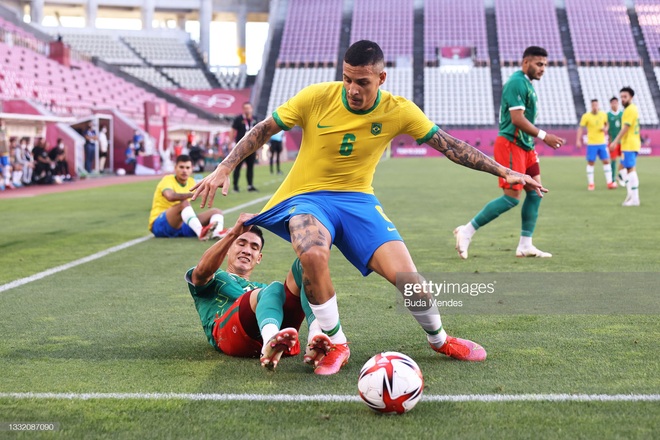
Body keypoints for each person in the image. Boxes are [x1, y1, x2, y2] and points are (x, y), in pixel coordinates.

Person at [191, 40, 547, 375]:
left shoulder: (398, 110)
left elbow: (449, 145)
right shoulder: (316, 97)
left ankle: (440, 340)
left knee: (411, 282)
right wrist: (225, 166)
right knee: (312, 253)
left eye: (361, 81)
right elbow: (265, 128)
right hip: (306, 198)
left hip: (358, 201)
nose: (352, 89)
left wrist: (504, 170)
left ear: (381, 78)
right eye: (346, 79)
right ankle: (336, 342)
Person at [454, 46, 565, 259]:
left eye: (545, 65)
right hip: (511, 144)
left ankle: (525, 245)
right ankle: (466, 231)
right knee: (512, 198)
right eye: (539, 64)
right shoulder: (516, 82)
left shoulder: (527, 84)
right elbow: (516, 119)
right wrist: (544, 136)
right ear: (526, 63)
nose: (543, 69)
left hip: (525, 145)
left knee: (536, 192)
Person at [187, 213, 318, 369]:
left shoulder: (263, 289)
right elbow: (201, 272)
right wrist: (233, 234)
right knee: (274, 288)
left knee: (305, 263)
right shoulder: (214, 276)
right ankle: (271, 340)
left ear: (259, 257)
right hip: (229, 336)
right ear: (227, 249)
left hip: (275, 336)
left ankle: (316, 337)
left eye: (254, 247)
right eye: (241, 243)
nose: (247, 251)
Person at [149, 154, 227, 240]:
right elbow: (170, 196)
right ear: (175, 168)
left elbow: (206, 187)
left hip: (181, 225)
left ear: (192, 169)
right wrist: (194, 194)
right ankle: (201, 232)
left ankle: (216, 233)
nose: (184, 171)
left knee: (216, 211)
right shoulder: (167, 180)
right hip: (160, 225)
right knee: (184, 203)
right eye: (181, 167)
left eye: (187, 168)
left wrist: (217, 184)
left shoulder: (191, 182)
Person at [609, 87, 641, 206]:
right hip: (630, 144)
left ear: (631, 97)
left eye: (625, 97)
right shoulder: (630, 109)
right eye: (621, 96)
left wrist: (615, 142)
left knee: (630, 169)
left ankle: (634, 198)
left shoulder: (629, 110)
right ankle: (631, 194)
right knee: (622, 168)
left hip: (629, 144)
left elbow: (625, 128)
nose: (622, 99)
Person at [576, 99, 615, 191]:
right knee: (591, 163)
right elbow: (581, 128)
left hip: (602, 143)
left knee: (606, 161)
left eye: (596, 105)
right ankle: (591, 184)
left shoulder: (603, 114)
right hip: (592, 144)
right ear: (591, 106)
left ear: (598, 105)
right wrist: (578, 140)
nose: (595, 107)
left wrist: (605, 128)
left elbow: (607, 124)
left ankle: (609, 182)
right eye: (593, 105)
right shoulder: (586, 116)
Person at [231, 102, 259, 192]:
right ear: (243, 109)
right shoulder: (238, 119)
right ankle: (235, 186)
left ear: (252, 109)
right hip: (240, 147)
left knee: (250, 167)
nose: (247, 110)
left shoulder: (255, 119)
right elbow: (232, 130)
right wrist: (230, 142)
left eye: (249, 108)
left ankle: (250, 186)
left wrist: (259, 145)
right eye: (245, 108)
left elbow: (259, 132)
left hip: (252, 147)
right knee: (237, 167)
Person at [607, 96, 623, 185]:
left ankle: (621, 176)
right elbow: (607, 127)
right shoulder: (608, 115)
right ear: (610, 104)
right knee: (613, 160)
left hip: (622, 142)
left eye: (616, 103)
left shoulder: (622, 114)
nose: (614, 104)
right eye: (613, 103)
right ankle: (612, 179)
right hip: (613, 142)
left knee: (624, 159)